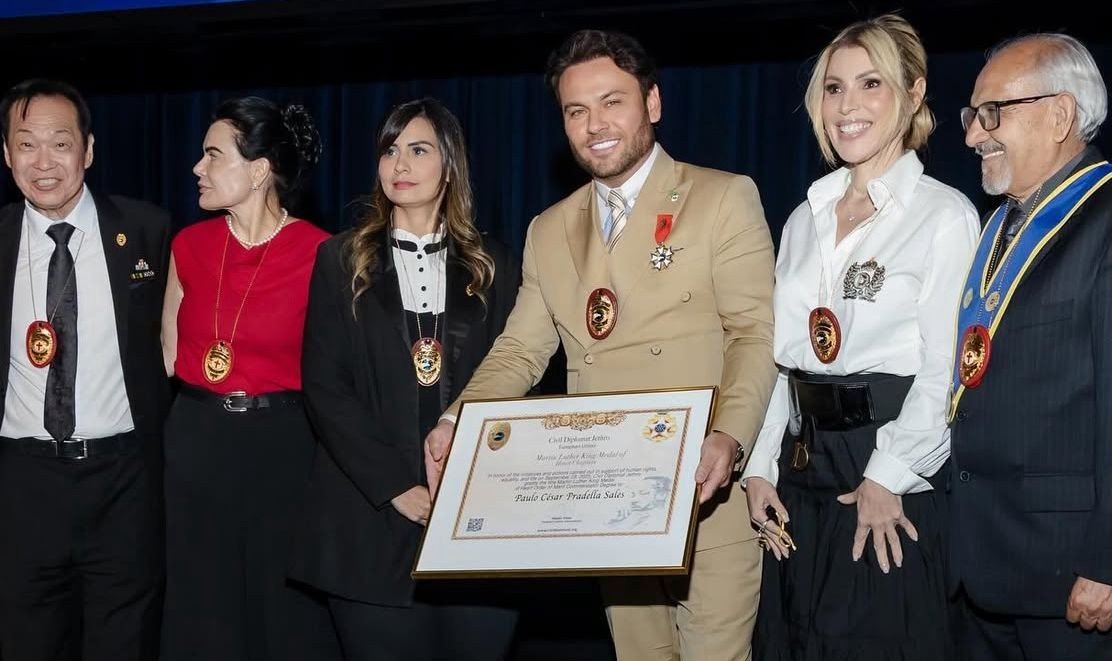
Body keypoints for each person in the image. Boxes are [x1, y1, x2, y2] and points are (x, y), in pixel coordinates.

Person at [424, 30, 777, 660]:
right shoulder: (549, 228)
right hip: (608, 502)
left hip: (704, 489)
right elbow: (519, 351)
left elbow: (753, 332)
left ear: (653, 103)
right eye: (576, 111)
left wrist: (731, 435)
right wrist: (459, 419)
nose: (595, 126)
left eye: (612, 102)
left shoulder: (722, 196)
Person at [741, 15, 978, 660]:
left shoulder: (945, 216)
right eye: (834, 88)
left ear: (914, 92)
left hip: (888, 467)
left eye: (871, 84)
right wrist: (759, 469)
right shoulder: (803, 216)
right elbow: (781, 360)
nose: (848, 107)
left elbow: (947, 372)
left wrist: (889, 476)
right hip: (800, 468)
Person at [293, 97, 521, 661]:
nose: (400, 164)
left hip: (475, 516)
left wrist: (464, 484)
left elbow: (517, 377)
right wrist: (396, 486)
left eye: (418, 150)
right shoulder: (341, 259)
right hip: (370, 521)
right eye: (390, 150)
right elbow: (325, 387)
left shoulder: (495, 262)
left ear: (450, 164)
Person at [0, 79, 170, 661]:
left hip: (123, 481)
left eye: (60, 143)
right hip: (20, 485)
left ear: (89, 150)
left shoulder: (148, 232)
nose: (44, 162)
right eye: (27, 144)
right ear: (5, 154)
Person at [158, 97, 339, 660]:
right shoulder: (187, 244)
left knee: (280, 610)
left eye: (213, 154)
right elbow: (169, 352)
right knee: (201, 609)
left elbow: (336, 370)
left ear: (259, 170)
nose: (197, 167)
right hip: (196, 440)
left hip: (282, 448)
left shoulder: (320, 253)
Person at [950, 33, 1112, 660]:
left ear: (1060, 115)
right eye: (971, 116)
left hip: (1072, 580)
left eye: (993, 113)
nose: (971, 135)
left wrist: (1106, 560)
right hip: (983, 568)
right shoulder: (999, 225)